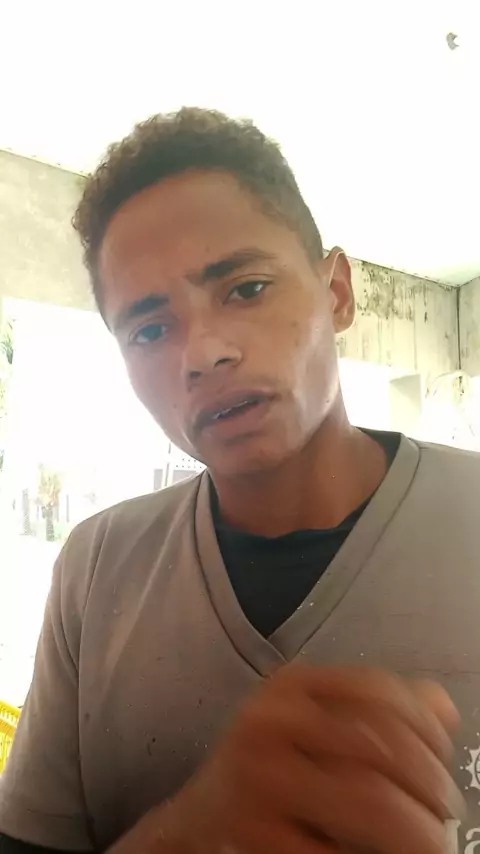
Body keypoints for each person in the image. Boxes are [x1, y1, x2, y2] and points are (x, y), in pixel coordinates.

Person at [0, 107, 478, 854]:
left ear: (337, 292)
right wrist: (195, 830)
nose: (202, 353)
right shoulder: (96, 572)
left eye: (246, 289)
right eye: (149, 330)